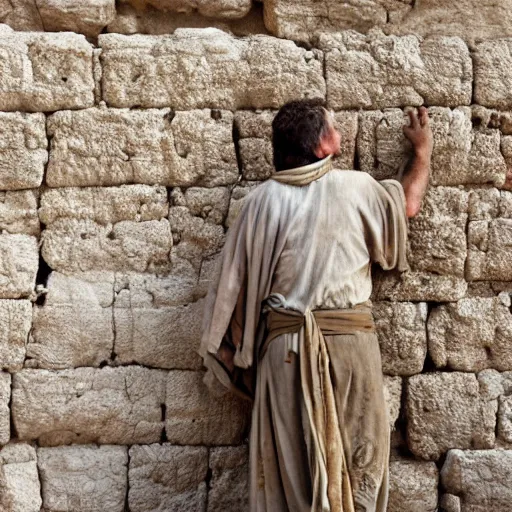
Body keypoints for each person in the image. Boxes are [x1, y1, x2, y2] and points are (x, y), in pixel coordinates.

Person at [199, 99, 433, 512]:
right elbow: (407, 206)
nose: (341, 132)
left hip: (281, 356)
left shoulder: (258, 204)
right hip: (350, 353)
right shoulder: (358, 187)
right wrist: (422, 152)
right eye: (335, 127)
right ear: (323, 145)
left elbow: (225, 309)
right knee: (362, 465)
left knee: (288, 484)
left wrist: (244, 361)